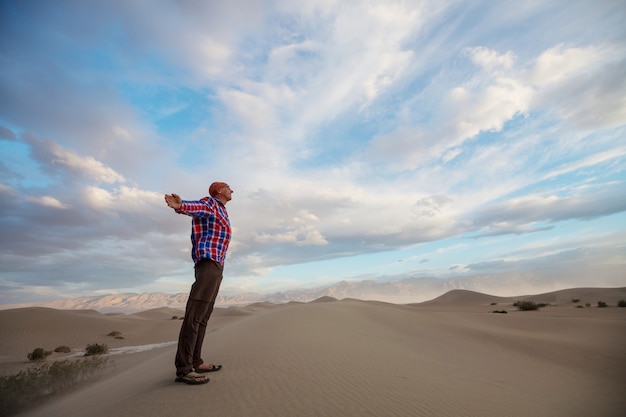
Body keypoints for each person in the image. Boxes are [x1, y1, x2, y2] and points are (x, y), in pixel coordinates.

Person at [164, 182, 234, 385]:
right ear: (219, 191)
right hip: (208, 263)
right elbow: (198, 207)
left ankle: (196, 361)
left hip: (216, 265)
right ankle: (184, 369)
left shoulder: (221, 210)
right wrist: (181, 205)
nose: (232, 190)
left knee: (203, 318)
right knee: (194, 317)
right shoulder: (210, 203)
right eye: (229, 187)